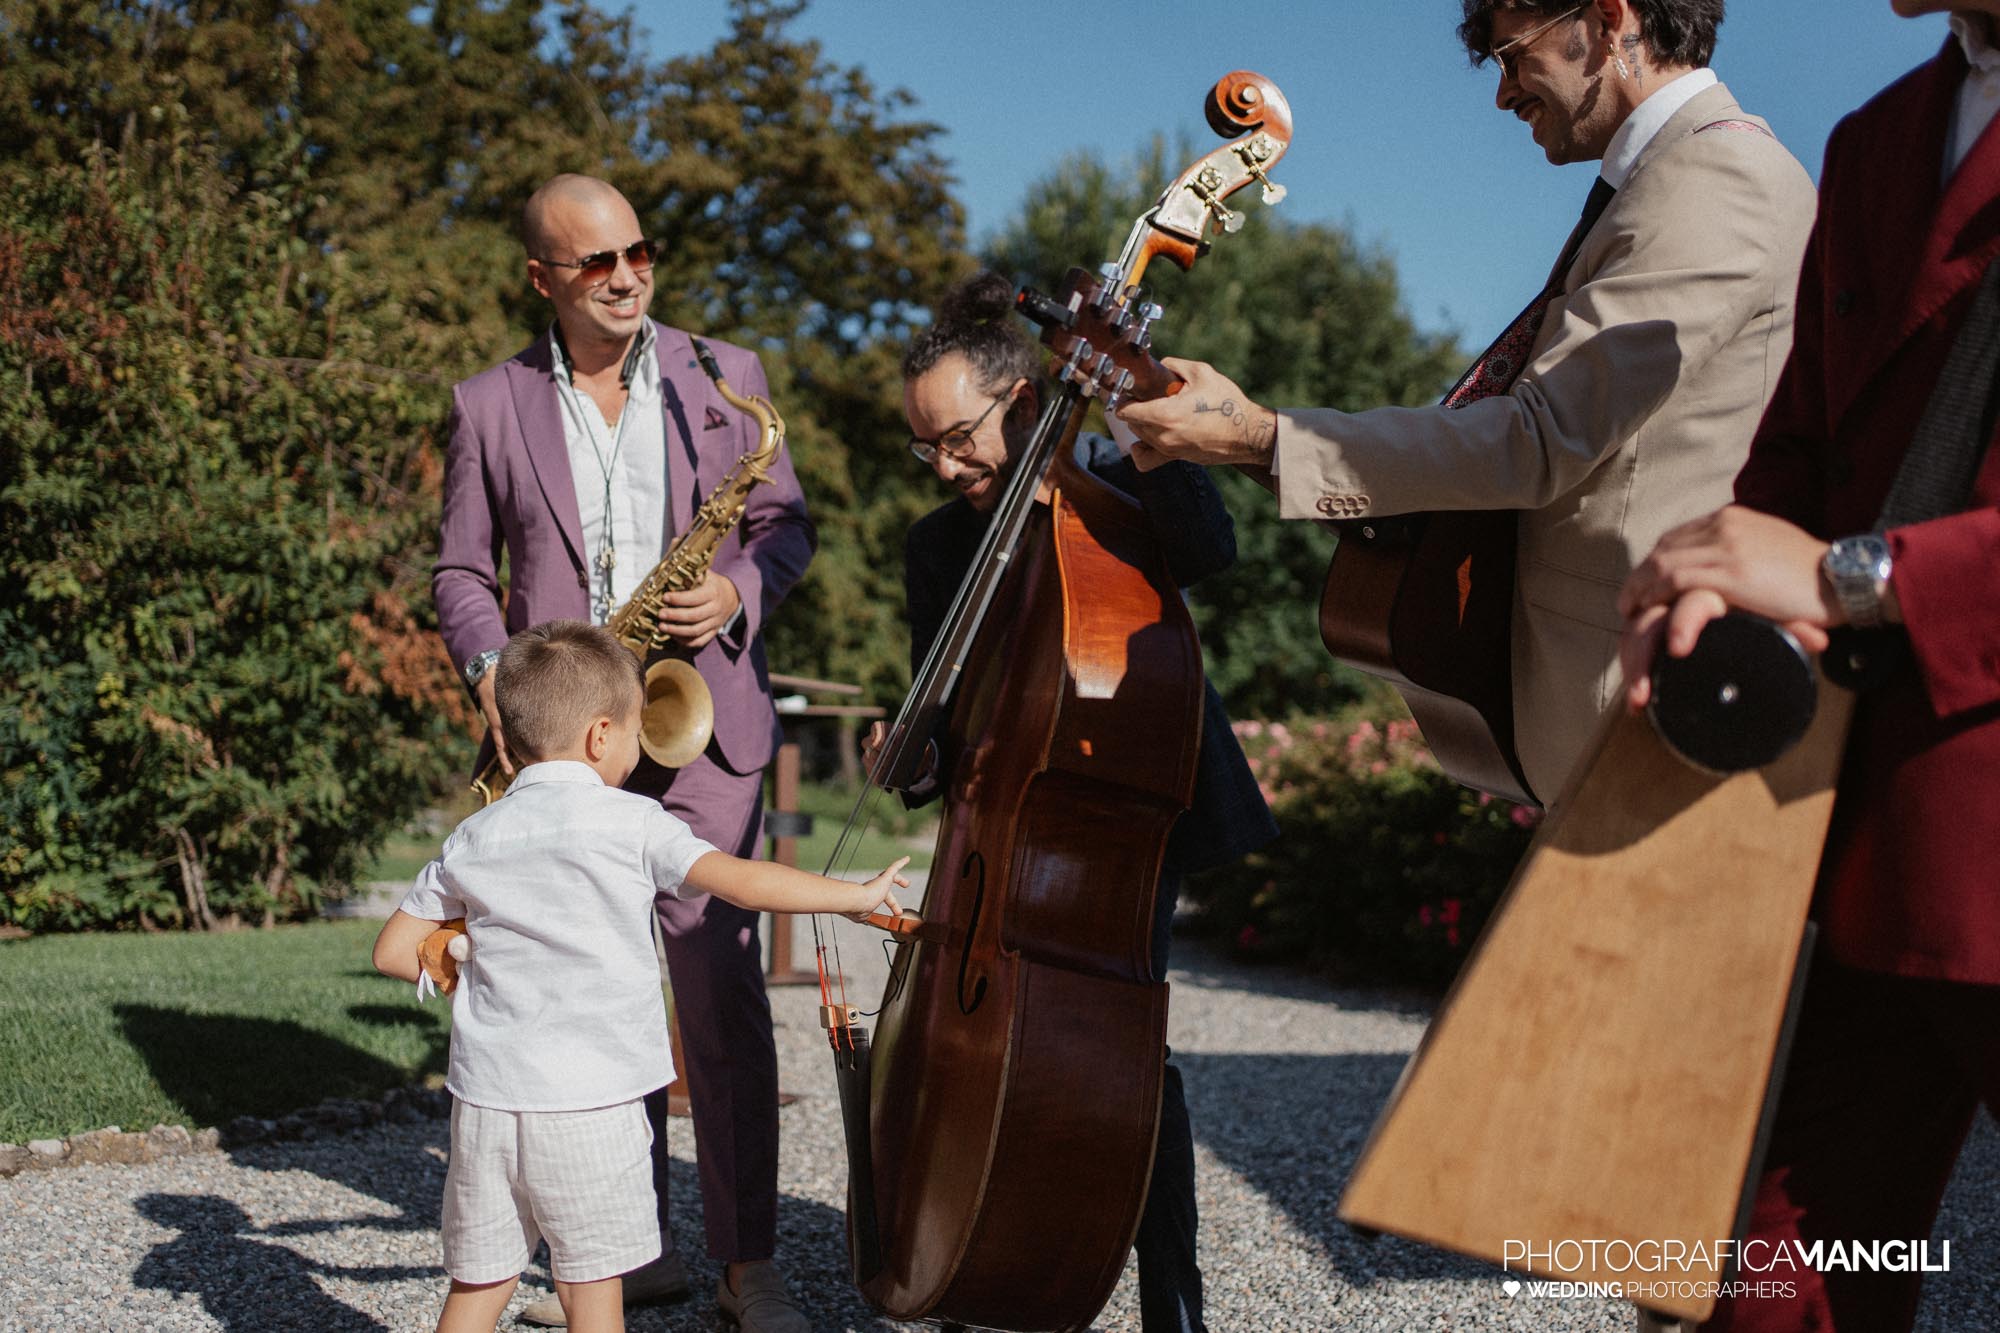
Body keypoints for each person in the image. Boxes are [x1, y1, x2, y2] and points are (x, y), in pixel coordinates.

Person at [1117, 0, 1817, 804]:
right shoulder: (1661, 181)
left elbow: (1539, 440)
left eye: (1512, 55)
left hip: (1641, 730)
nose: (1502, 93)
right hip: (1604, 727)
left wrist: (1262, 436)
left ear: (1610, 18)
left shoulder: (1716, 176)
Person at [1618, 5, 2000, 1328]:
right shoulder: (1875, 134)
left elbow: (1834, 546)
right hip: (1859, 822)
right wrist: (1711, 591)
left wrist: (1855, 578)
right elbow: (1799, 460)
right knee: (1774, 1286)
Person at [431, 174, 817, 1331]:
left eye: (638, 252)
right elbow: (458, 570)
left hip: (694, 716)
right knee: (582, 994)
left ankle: (747, 1263)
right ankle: (627, 1254)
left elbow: (783, 522)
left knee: (714, 988)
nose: (626, 276)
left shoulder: (723, 373)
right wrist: (493, 673)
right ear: (541, 277)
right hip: (561, 734)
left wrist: (737, 587)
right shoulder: (487, 401)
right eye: (594, 262)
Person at [863, 271, 1276, 1333]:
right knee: (977, 1046)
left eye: (959, 437)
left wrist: (1144, 418)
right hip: (1001, 830)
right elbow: (945, 718)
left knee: (1125, 1050)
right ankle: (981, 1247)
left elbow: (1208, 552)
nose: (946, 464)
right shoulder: (934, 545)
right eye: (928, 448)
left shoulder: (1113, 474)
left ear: (1019, 396)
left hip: (1126, 797)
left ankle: (1170, 1298)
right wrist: (907, 752)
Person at [374, 621, 908, 1333]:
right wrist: (854, 895)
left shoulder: (477, 833)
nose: (641, 746)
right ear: (600, 736)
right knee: (593, 1301)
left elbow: (392, 950)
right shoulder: (635, 822)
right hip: (593, 1107)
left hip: (488, 1108)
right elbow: (744, 882)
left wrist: (454, 947)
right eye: (637, 730)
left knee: (478, 1288)